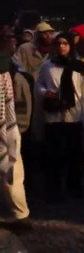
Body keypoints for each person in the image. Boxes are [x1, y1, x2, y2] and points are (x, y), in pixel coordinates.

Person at [35, 33, 84, 202]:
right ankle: (53, 190)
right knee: (53, 155)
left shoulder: (78, 66)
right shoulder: (47, 66)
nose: (62, 46)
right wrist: (45, 92)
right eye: (58, 43)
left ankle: (74, 188)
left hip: (74, 116)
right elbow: (39, 83)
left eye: (65, 43)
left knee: (74, 156)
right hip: (54, 115)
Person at [0, 29, 32, 233]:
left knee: (11, 172)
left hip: (6, 128)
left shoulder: (9, 68)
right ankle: (20, 215)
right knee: (12, 172)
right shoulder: (9, 68)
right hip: (8, 129)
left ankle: (20, 216)